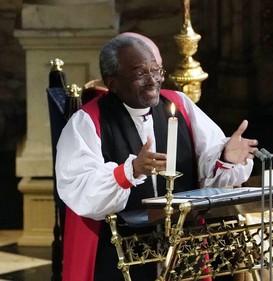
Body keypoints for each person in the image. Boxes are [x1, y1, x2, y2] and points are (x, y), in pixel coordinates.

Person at [55, 32, 258, 281]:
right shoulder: (87, 121)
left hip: (180, 245)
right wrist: (129, 172)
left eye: (157, 71)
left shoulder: (179, 104)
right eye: (140, 73)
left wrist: (226, 157)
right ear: (113, 82)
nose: (153, 81)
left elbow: (207, 166)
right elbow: (79, 188)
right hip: (117, 252)